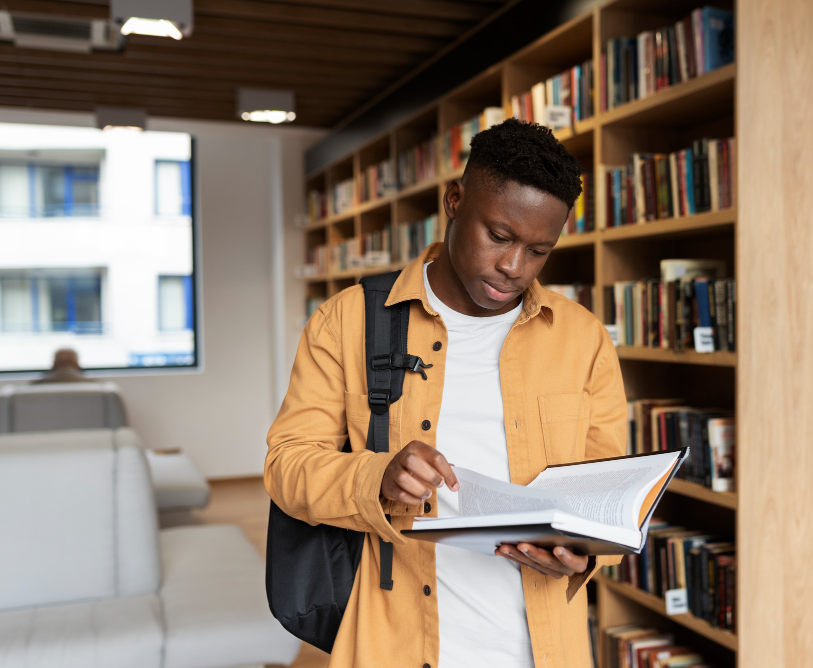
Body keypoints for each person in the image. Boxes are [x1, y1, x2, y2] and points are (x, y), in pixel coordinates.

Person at [265, 118, 627, 668]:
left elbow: (605, 494)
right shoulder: (348, 321)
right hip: (394, 643)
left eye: (538, 250)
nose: (513, 267)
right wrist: (376, 476)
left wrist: (580, 555)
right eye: (500, 236)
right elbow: (286, 468)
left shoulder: (584, 339)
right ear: (454, 200)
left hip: (546, 648)